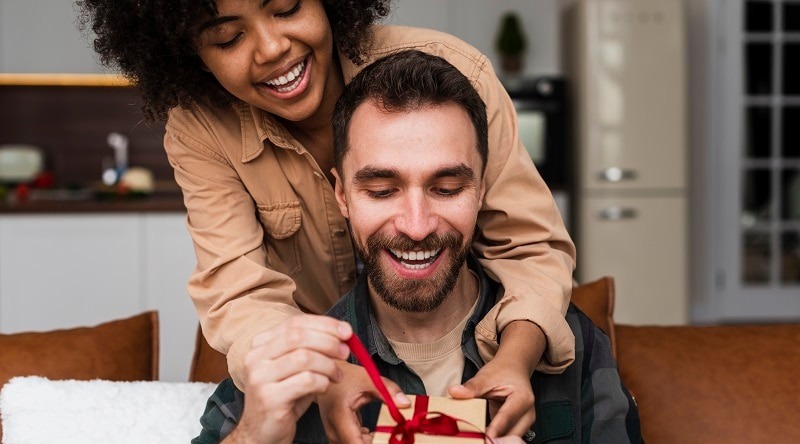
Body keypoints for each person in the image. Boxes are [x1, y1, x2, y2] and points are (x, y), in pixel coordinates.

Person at [77, 0, 577, 439]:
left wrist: (515, 359)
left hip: (466, 357)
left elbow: (530, 246)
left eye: (288, 7)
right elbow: (239, 291)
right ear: (191, 58)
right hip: (326, 384)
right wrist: (330, 377)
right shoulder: (200, 127)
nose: (272, 47)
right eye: (228, 36)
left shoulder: (450, 73)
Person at [192, 50, 640, 444]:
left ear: (482, 190)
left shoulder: (572, 346)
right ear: (342, 196)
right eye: (382, 191)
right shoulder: (294, 362)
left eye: (446, 188)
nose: (417, 226)